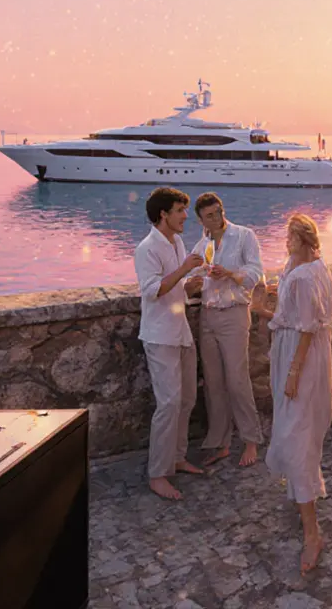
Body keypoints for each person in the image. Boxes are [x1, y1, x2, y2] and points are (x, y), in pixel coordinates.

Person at [258, 214, 332, 573]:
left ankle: (312, 535)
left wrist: (294, 371)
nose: (285, 241)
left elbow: (308, 328)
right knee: (297, 430)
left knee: (296, 438)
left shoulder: (308, 275)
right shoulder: (306, 265)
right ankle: (301, 493)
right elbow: (306, 316)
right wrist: (266, 306)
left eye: (291, 236)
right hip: (297, 350)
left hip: (300, 356)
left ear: (304, 238)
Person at [133, 187, 205, 501]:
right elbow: (152, 291)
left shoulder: (177, 242)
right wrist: (185, 270)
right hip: (160, 335)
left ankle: (177, 457)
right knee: (168, 404)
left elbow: (175, 288)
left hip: (181, 331)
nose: (185, 216)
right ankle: (157, 474)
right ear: (163, 214)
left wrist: (192, 284)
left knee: (187, 398)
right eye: (179, 210)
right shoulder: (146, 248)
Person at [188, 193, 265, 469]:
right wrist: (194, 283)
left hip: (234, 315)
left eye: (218, 212)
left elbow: (256, 271)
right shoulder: (202, 243)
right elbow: (189, 277)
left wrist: (230, 273)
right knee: (214, 382)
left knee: (237, 379)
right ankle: (220, 442)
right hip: (207, 316)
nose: (216, 218)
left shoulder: (244, 236)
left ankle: (251, 439)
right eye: (209, 215)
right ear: (200, 219)